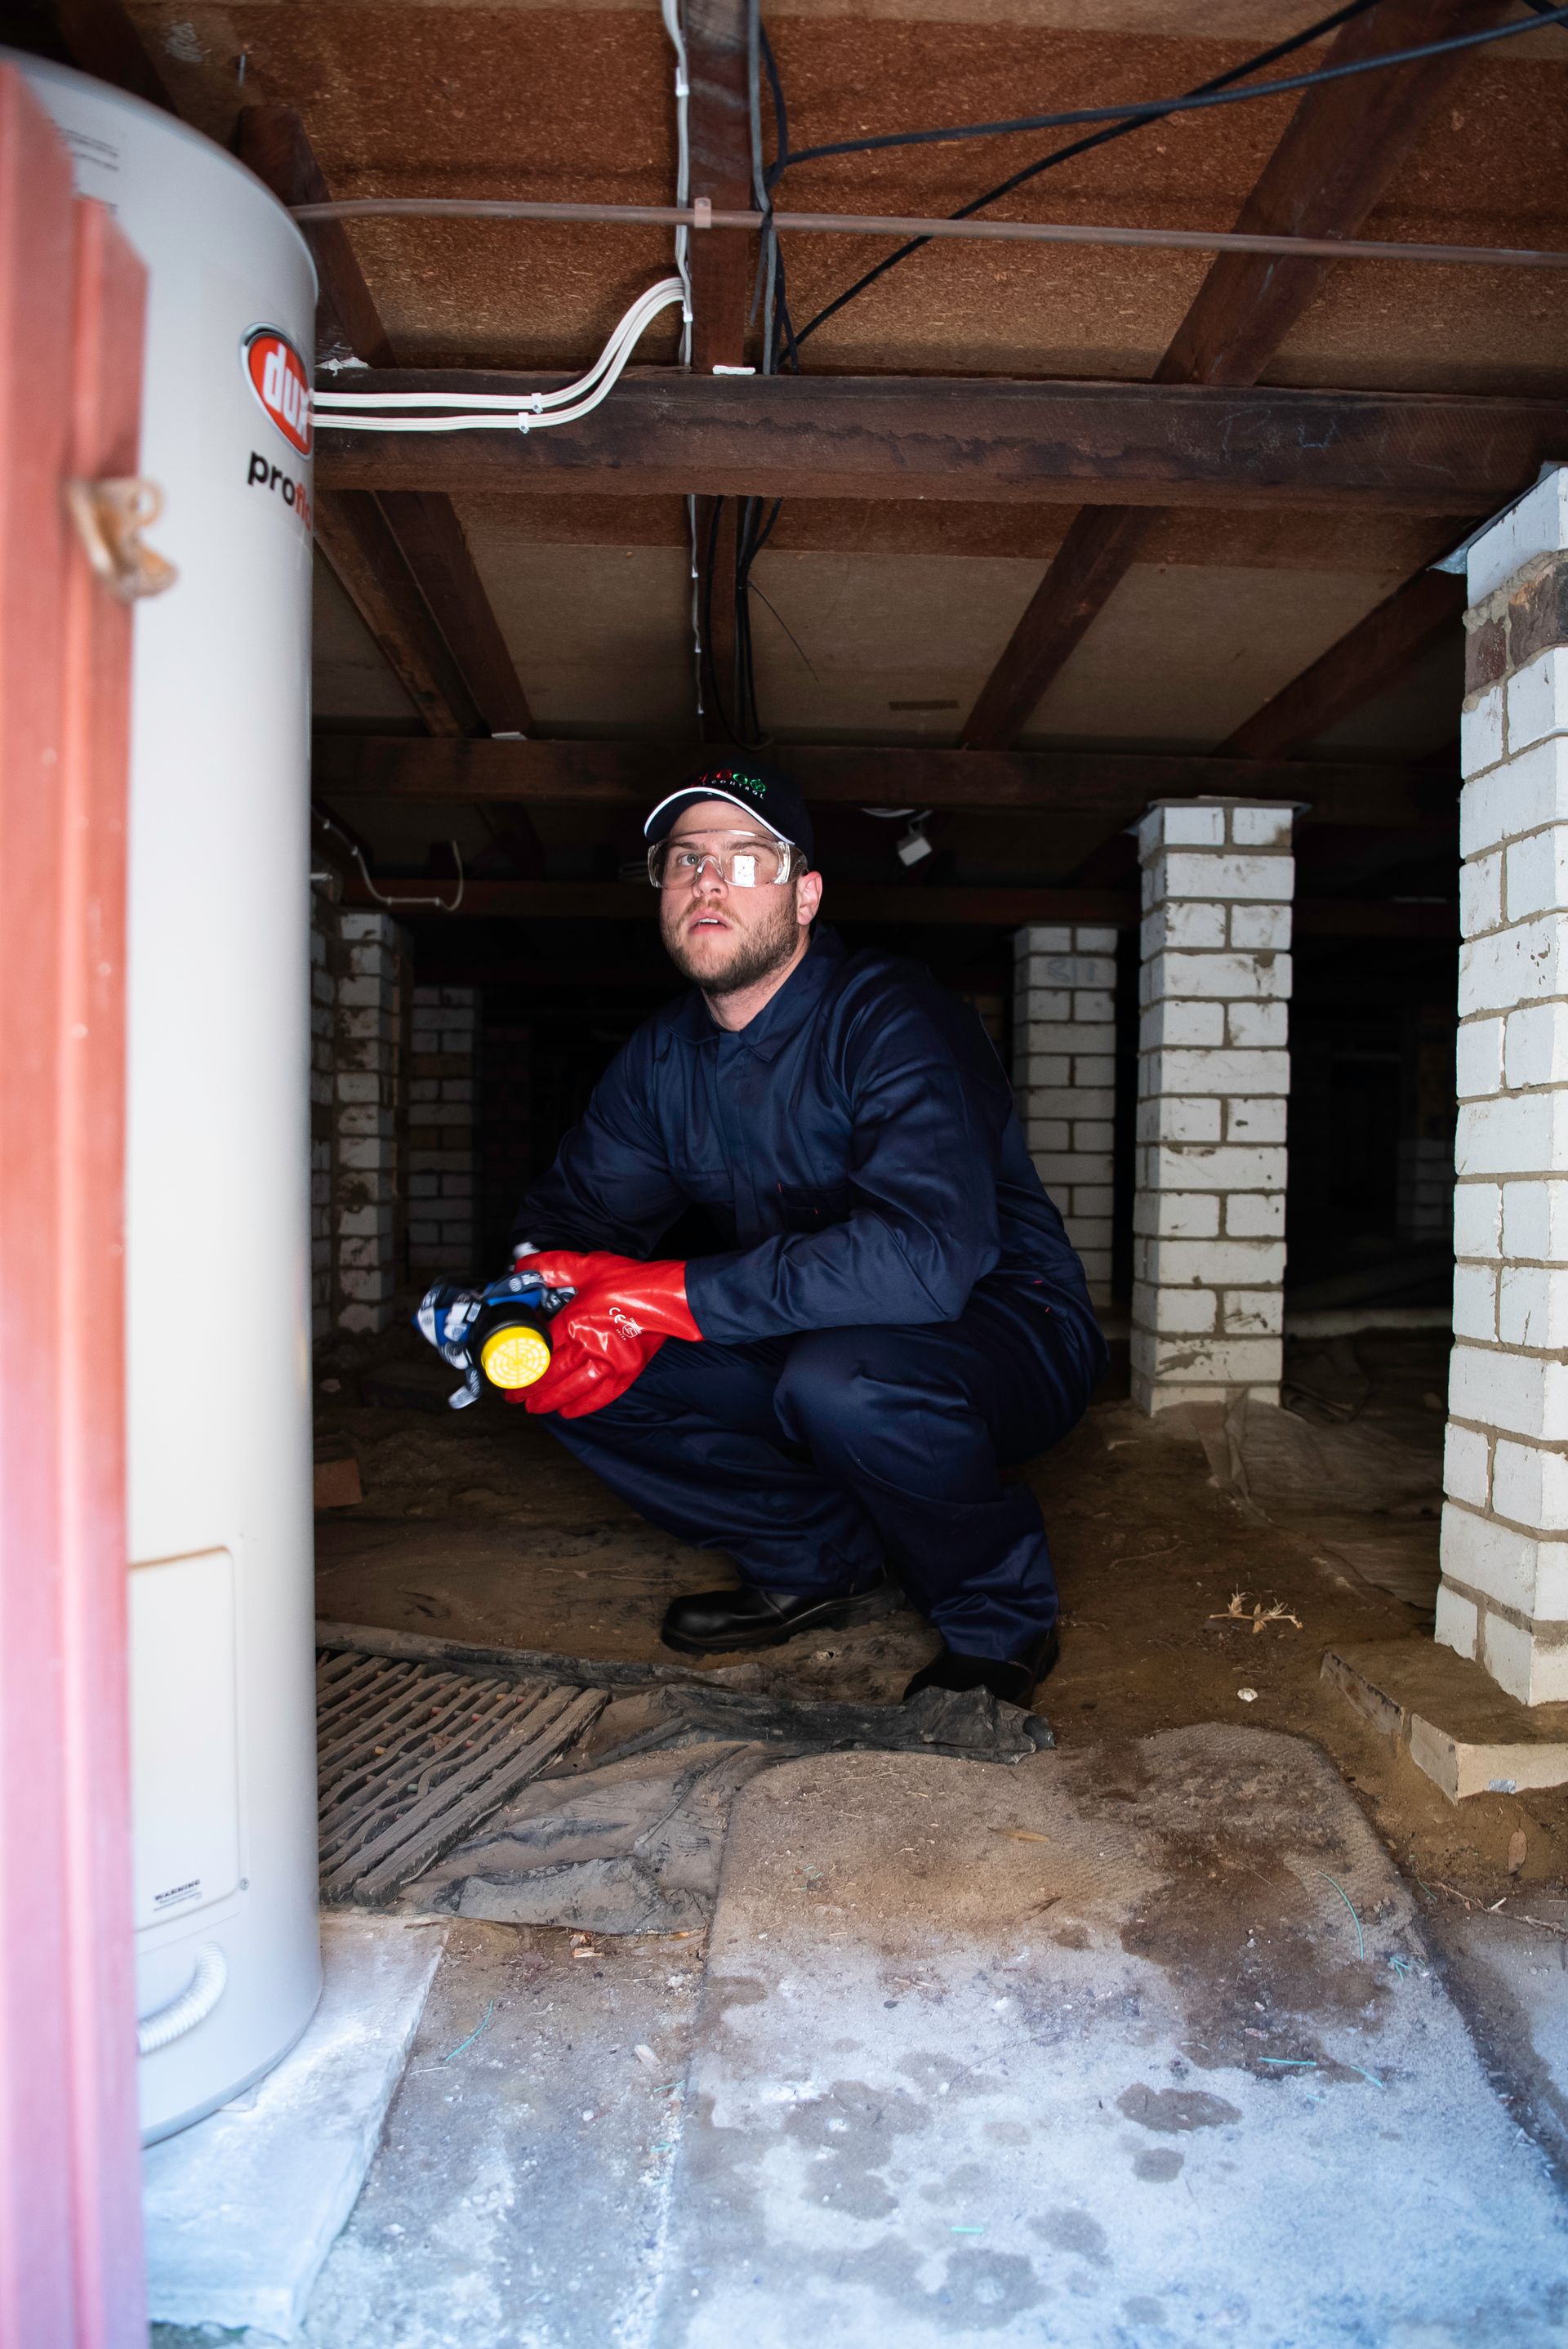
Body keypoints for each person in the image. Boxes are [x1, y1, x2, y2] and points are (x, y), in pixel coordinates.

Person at [510, 764, 1107, 1710]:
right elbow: (577, 1218)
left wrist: (671, 1294)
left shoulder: (894, 1017)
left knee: (844, 1378)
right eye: (686, 861)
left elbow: (923, 1261)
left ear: (806, 895)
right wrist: (529, 1293)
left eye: (748, 859)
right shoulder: (665, 1055)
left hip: (1005, 1325)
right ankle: (813, 1561)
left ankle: (999, 1618)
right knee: (556, 1355)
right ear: (663, 892)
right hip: (798, 1331)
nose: (710, 882)